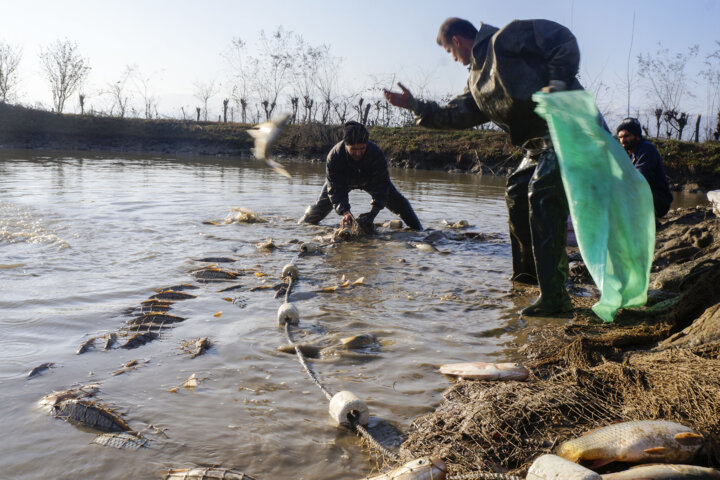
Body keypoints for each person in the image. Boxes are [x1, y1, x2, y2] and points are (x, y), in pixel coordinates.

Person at [384, 17, 583, 316]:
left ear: (457, 41)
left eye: (451, 53)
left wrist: (557, 82)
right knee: (516, 191)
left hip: (566, 127)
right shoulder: (478, 82)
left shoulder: (506, 38)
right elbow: (455, 115)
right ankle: (527, 278)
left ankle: (555, 297)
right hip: (536, 145)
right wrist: (414, 106)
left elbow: (561, 37)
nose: (454, 59)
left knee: (541, 195)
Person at [298, 121, 422, 232]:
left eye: (362, 148)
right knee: (319, 208)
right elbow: (335, 191)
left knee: (401, 204)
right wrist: (345, 213)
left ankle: (420, 231)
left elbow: (382, 187)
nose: (358, 153)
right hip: (342, 182)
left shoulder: (376, 154)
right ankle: (299, 227)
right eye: (354, 149)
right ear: (346, 145)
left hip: (370, 180)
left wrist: (372, 214)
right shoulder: (334, 156)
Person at [616, 118, 673, 218]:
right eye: (620, 137)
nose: (622, 140)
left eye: (626, 136)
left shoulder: (647, 149)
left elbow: (639, 178)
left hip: (657, 202)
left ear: (637, 136)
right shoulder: (631, 154)